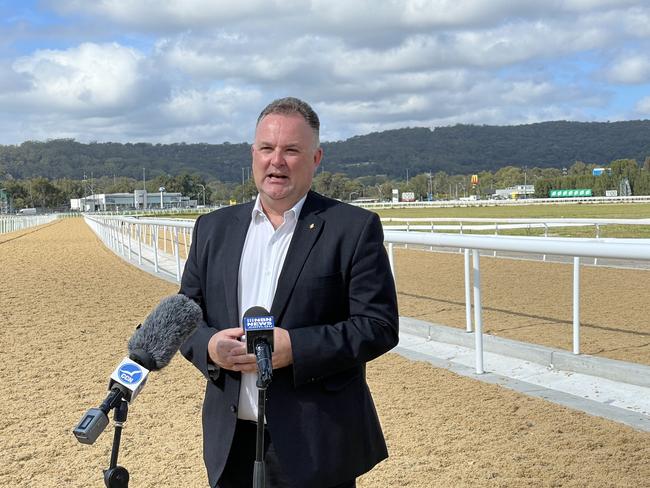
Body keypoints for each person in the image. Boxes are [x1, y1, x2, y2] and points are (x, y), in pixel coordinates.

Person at [179, 97, 399, 488]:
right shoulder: (212, 228)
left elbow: (378, 325)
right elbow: (185, 315)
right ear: (253, 154)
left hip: (315, 442)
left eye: (291, 150)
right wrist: (211, 346)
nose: (276, 161)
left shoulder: (353, 228)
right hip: (231, 442)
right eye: (267, 148)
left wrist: (296, 348)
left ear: (316, 159)